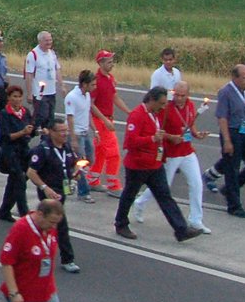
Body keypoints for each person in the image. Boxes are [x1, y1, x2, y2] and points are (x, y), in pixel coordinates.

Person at [114, 87, 203, 241]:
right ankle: (121, 223)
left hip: (155, 164)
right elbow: (130, 142)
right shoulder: (137, 115)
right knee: (129, 194)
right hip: (138, 165)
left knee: (165, 196)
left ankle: (181, 229)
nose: (163, 107)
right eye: (161, 103)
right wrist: (152, 139)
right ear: (152, 100)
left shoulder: (154, 115)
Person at [133, 80, 211, 235]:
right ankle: (140, 203)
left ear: (188, 95)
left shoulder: (190, 105)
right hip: (171, 153)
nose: (180, 98)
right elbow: (158, 130)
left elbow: (189, 124)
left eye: (183, 95)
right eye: (177, 95)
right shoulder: (166, 107)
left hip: (187, 151)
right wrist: (171, 137)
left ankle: (196, 219)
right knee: (163, 185)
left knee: (196, 184)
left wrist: (196, 134)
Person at [25, 119, 82, 272]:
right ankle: (67, 259)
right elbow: (31, 172)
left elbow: (73, 163)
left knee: (47, 225)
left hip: (62, 190)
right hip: (50, 193)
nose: (65, 134)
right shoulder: (43, 149)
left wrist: (75, 173)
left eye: (66, 131)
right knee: (60, 224)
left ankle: (32, 249)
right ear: (51, 132)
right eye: (61, 131)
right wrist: (45, 187)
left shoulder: (66, 147)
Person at [208, 64, 245, 219]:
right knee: (232, 169)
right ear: (235, 78)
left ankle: (230, 189)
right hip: (232, 132)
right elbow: (222, 117)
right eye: (244, 78)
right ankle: (234, 205)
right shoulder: (226, 92)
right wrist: (227, 141)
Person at [88, 50, 128, 196]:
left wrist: (129, 112)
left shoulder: (110, 78)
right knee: (113, 153)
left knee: (101, 152)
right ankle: (113, 185)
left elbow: (114, 97)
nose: (112, 64)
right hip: (100, 121)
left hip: (106, 119)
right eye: (109, 62)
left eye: (112, 61)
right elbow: (91, 104)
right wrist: (104, 120)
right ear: (100, 63)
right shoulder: (96, 81)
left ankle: (92, 180)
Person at [0, 85, 36, 222]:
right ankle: (24, 213)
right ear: (9, 98)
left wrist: (35, 130)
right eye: (14, 96)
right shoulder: (4, 114)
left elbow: (32, 131)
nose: (17, 99)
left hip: (23, 150)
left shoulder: (26, 112)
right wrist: (22, 132)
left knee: (14, 182)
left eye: (19, 96)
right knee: (19, 181)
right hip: (10, 151)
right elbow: (7, 136)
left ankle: (5, 210)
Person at [61, 71, 97, 202]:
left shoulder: (86, 95)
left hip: (85, 132)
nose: (95, 87)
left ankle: (71, 177)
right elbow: (70, 118)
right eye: (92, 84)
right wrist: (73, 139)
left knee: (90, 159)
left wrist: (95, 130)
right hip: (76, 133)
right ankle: (83, 192)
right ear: (84, 84)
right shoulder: (72, 97)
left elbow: (88, 113)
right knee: (81, 162)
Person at [24, 31, 61, 130]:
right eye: (46, 40)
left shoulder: (52, 53)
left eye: (50, 40)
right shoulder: (33, 55)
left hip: (51, 92)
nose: (49, 42)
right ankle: (27, 134)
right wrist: (29, 93)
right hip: (39, 93)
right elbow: (29, 74)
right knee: (41, 116)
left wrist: (62, 85)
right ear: (40, 41)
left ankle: (46, 141)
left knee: (50, 119)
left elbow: (57, 69)